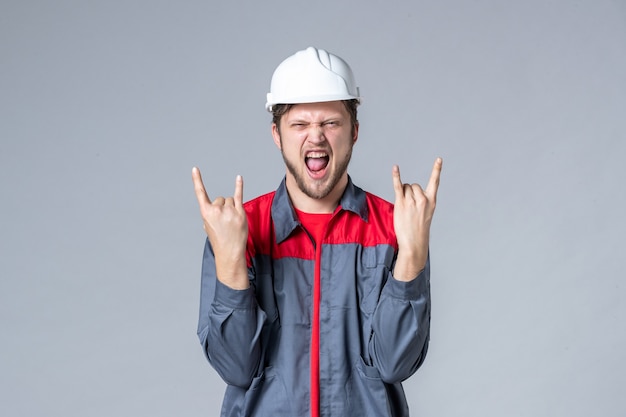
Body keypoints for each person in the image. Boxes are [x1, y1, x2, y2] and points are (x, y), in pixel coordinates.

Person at [192, 46, 442, 417]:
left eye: (330, 123)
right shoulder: (240, 229)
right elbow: (236, 368)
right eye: (300, 124)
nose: (316, 137)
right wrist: (229, 261)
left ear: (354, 131)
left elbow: (395, 365)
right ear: (277, 134)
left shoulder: (394, 226)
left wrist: (413, 255)